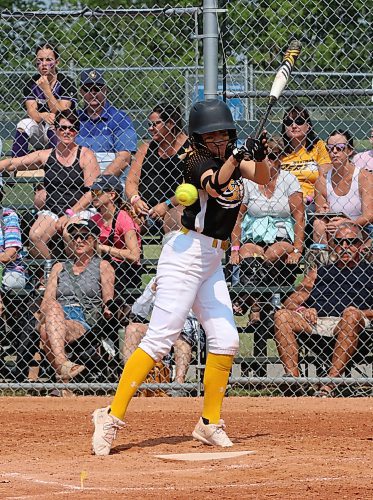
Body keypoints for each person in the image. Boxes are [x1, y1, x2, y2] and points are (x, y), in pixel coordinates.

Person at [91, 98, 270, 455]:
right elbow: (216, 184)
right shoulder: (195, 160)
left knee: (226, 338)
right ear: (199, 138)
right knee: (160, 340)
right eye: (212, 135)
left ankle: (209, 423)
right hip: (185, 256)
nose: (218, 141)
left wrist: (259, 155)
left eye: (224, 135)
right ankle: (109, 416)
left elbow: (264, 178)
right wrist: (235, 157)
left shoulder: (230, 156)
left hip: (212, 260)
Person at [274, 223, 372, 396]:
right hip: (317, 322)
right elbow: (290, 302)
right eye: (339, 242)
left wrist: (358, 313)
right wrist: (303, 310)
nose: (344, 247)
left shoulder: (369, 271)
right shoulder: (318, 272)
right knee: (282, 316)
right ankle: (293, 382)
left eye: (351, 242)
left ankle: (330, 385)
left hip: (354, 324)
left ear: (360, 245)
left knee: (350, 314)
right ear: (332, 246)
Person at [0, 110, 100, 259]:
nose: (67, 132)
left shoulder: (85, 155)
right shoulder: (46, 155)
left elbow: (92, 192)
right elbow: (12, 163)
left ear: (77, 131)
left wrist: (69, 214)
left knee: (70, 233)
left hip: (78, 210)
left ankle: (74, 276)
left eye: (71, 128)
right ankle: (53, 273)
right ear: (55, 130)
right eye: (62, 128)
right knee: (35, 236)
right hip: (52, 211)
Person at [39, 219, 114, 382]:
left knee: (46, 331)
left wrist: (108, 309)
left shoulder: (103, 266)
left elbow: (108, 298)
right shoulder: (59, 267)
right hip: (57, 314)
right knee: (51, 309)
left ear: (94, 239)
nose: (79, 240)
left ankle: (62, 376)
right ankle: (65, 368)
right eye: (74, 237)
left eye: (84, 236)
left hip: (84, 319)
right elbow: (46, 303)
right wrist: (53, 312)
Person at [230, 137, 304, 288]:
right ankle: (260, 304)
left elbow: (299, 216)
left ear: (281, 157)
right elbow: (237, 217)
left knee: (274, 253)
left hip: (281, 236)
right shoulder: (248, 181)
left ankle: (253, 301)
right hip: (253, 236)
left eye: (272, 156)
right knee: (247, 253)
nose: (268, 160)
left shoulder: (289, 180)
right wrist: (235, 250)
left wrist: (297, 250)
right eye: (263, 156)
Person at [125, 104, 189, 235]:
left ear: (170, 124)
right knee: (123, 220)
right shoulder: (145, 148)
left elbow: (188, 186)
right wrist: (135, 199)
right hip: (144, 209)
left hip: (175, 206)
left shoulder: (190, 148)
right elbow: (131, 181)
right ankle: (131, 255)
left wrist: (166, 205)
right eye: (150, 124)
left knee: (176, 220)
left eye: (155, 124)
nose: (150, 128)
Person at [12, 43, 77, 158]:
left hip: (63, 131)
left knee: (53, 123)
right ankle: (16, 163)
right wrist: (43, 115)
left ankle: (56, 162)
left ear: (57, 62)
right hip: (40, 130)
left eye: (49, 60)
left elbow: (61, 114)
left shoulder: (67, 82)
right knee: (23, 124)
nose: (44, 64)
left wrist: (46, 90)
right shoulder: (31, 83)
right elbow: (32, 113)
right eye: (40, 60)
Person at [313, 130, 373, 245]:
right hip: (333, 229)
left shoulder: (364, 177)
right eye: (330, 148)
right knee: (318, 224)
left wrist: (346, 223)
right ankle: (326, 261)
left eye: (340, 147)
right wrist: (323, 211)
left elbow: (369, 215)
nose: (334, 151)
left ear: (349, 150)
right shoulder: (322, 181)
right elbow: (319, 212)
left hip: (360, 228)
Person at [76, 69, 137, 176]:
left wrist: (101, 182)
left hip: (112, 180)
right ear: (81, 92)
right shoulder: (75, 119)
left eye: (97, 88)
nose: (93, 92)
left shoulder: (120, 118)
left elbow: (124, 157)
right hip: (79, 178)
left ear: (105, 90)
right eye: (87, 89)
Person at [89, 175, 142, 291]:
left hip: (124, 271)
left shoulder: (123, 218)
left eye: (97, 191)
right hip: (101, 267)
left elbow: (134, 256)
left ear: (112, 195)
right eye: (92, 192)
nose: (93, 195)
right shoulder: (94, 219)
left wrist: (102, 247)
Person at [281, 105, 331, 204]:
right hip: (283, 201)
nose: (294, 126)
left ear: (308, 126)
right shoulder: (279, 150)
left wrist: (310, 198)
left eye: (299, 121)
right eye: (289, 122)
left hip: (311, 201)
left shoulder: (318, 146)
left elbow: (325, 178)